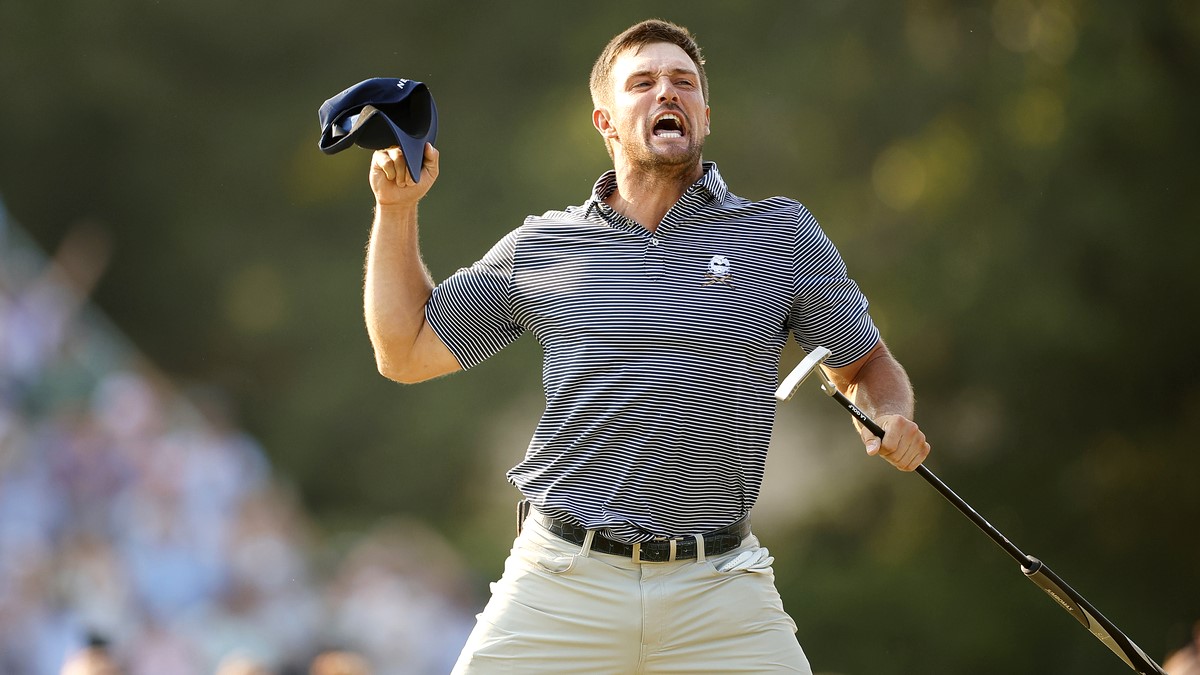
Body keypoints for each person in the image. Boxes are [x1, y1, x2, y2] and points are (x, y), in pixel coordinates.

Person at [361, 18, 931, 674]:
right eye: (644, 82)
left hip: (718, 587)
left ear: (705, 115)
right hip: (561, 581)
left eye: (683, 82)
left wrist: (889, 414)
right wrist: (396, 208)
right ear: (605, 121)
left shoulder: (781, 234)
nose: (667, 91)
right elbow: (404, 350)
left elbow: (867, 364)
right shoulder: (544, 247)